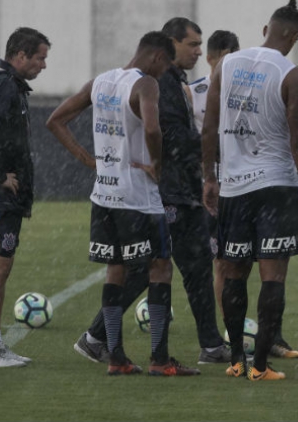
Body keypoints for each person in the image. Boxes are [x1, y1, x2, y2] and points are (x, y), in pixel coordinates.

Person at [73, 18, 232, 366]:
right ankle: (108, 340)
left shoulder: (165, 80)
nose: (198, 52)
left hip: (162, 190)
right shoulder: (154, 83)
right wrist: (213, 147)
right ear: (169, 47)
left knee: (180, 266)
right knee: (158, 268)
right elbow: (165, 134)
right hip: (163, 191)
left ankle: (206, 344)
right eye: (192, 45)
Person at [47, 31, 199, 376]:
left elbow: (55, 120)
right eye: (164, 67)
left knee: (115, 269)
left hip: (105, 195)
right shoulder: (145, 84)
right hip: (138, 197)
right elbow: (153, 129)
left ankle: (116, 357)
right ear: (158, 58)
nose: (162, 76)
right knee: (160, 267)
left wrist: (88, 158)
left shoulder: (100, 81)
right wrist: (157, 164)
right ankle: (159, 360)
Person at [201, 0, 298, 381]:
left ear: (266, 29)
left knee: (233, 273)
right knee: (273, 278)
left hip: (233, 187)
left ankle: (237, 359)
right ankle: (263, 366)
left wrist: (209, 176)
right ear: (293, 35)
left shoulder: (227, 65)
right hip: (275, 187)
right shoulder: (291, 74)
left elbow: (208, 126)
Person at [190, 29, 298, 359]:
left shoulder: (246, 79)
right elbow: (198, 133)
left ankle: (267, 341)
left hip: (243, 186)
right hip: (227, 186)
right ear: (216, 58)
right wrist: (207, 175)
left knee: (266, 267)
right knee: (227, 267)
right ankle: (230, 341)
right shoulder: (194, 90)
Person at [0, 27, 50, 368]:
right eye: (39, 57)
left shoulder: (3, 83)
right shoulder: (3, 85)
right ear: (20, 55)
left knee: (0, 265)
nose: (43, 65)